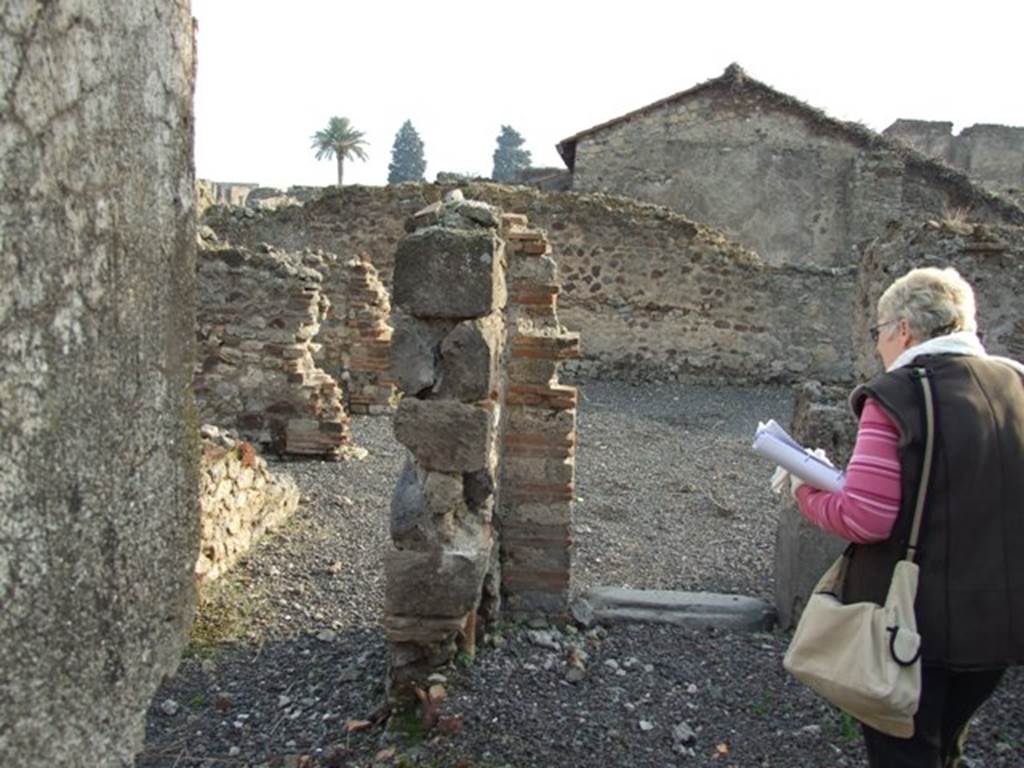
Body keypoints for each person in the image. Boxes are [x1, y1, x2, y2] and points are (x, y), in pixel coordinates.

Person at [777, 266, 1024, 767]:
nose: (878, 347)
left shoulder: (900, 396)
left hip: (913, 626)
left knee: (904, 754)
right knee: (946, 746)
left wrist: (804, 488)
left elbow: (866, 518)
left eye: (879, 332)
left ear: (904, 329)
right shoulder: (1015, 385)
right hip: (999, 623)